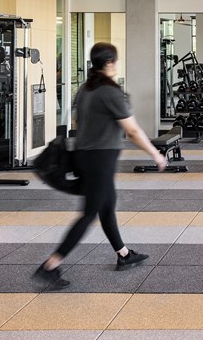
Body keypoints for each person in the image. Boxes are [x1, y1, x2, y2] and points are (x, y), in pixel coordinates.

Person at [33, 42, 167, 289]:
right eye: (115, 61)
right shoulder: (110, 92)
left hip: (86, 156)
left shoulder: (85, 89)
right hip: (100, 160)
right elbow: (133, 131)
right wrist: (155, 154)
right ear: (109, 63)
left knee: (107, 205)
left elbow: (77, 120)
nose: (117, 65)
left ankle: (124, 254)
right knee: (90, 213)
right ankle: (50, 265)